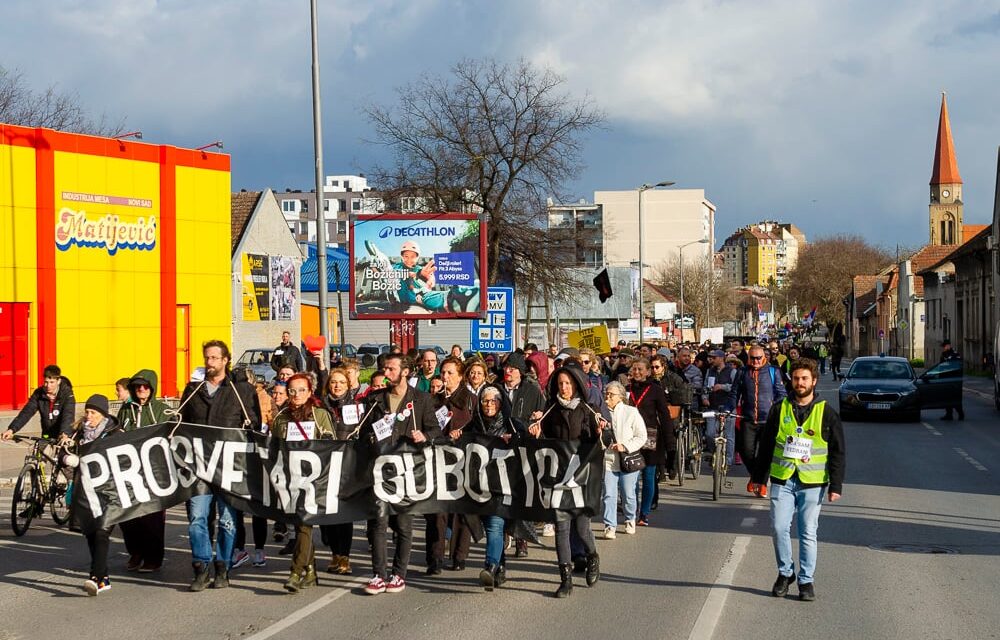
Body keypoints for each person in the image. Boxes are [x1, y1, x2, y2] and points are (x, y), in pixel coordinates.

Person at [752, 358, 845, 602]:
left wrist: (836, 485)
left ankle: (806, 581)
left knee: (807, 532)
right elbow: (767, 445)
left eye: (804, 379)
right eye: (796, 378)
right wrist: (758, 478)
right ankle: (785, 573)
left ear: (814, 381)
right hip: (783, 478)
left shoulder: (826, 412)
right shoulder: (779, 408)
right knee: (778, 527)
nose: (800, 383)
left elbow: (837, 451)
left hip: (812, 482)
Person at [178, 340, 261, 592]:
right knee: (197, 518)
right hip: (199, 468)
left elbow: (255, 425)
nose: (210, 362)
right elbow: (180, 425)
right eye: (207, 357)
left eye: (215, 358)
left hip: (229, 468)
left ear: (226, 360)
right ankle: (201, 567)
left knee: (227, 520)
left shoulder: (241, 390)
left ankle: (223, 566)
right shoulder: (193, 390)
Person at [360, 353, 442, 595]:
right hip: (380, 469)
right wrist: (371, 438)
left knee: (403, 524)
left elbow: (435, 430)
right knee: (379, 522)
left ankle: (399, 574)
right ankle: (378, 574)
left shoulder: (421, 399)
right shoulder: (375, 399)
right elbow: (363, 431)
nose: (386, 373)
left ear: (405, 372)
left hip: (407, 470)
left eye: (391, 369)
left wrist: (424, 436)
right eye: (385, 369)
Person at [528, 366, 601, 598]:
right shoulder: (550, 409)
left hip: (581, 477)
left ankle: (592, 556)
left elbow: (600, 441)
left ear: (576, 384)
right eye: (560, 383)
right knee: (562, 527)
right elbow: (545, 443)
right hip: (558, 476)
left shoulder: (587, 409)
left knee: (581, 528)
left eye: (568, 383)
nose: (564, 388)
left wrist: (601, 431)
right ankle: (565, 579)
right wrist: (537, 432)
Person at [270, 373, 336, 592]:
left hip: (313, 481)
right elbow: (273, 450)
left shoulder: (320, 415)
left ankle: (295, 572)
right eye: (292, 390)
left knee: (304, 524)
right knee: (300, 525)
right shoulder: (281, 418)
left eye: (301, 390)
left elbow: (332, 447)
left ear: (310, 392)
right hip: (289, 481)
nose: (296, 394)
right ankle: (311, 571)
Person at [116, 370, 170, 573]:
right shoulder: (125, 410)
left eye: (145, 386)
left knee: (152, 519)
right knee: (127, 517)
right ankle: (135, 552)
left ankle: (153, 558)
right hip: (129, 471)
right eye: (137, 386)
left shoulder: (162, 410)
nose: (141, 389)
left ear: (152, 387)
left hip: (154, 473)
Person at [427, 357, 477, 573]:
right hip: (438, 460)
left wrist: (463, 434)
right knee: (436, 512)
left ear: (460, 376)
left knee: (460, 512)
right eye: (443, 373)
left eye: (450, 373)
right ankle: (434, 558)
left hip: (462, 460)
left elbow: (478, 428)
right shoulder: (433, 400)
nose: (445, 377)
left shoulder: (471, 400)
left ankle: (459, 555)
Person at [470, 386, 521, 590]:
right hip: (480, 486)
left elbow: (525, 441)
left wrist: (513, 439)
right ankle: (500, 568)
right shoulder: (473, 425)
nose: (489, 405)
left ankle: (490, 566)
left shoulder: (511, 424)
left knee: (495, 525)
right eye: (485, 401)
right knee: (491, 527)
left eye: (493, 401)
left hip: (503, 486)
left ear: (500, 403)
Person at [73, 394, 123, 595]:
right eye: (87, 412)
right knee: (91, 533)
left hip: (110, 491)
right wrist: (68, 458)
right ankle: (103, 578)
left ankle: (95, 577)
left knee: (102, 532)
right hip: (87, 492)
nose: (89, 416)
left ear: (103, 414)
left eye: (93, 412)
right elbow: (64, 452)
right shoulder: (79, 433)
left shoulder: (115, 433)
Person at [498, 352, 546, 558]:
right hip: (501, 448)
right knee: (503, 494)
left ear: (520, 372)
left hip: (524, 448)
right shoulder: (496, 389)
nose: (508, 371)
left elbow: (542, 417)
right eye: (506, 367)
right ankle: (504, 534)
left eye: (512, 368)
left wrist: (537, 422)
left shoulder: (532, 390)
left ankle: (522, 540)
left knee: (522, 495)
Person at [319, 367, 363, 575]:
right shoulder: (319, 406)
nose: (337, 386)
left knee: (343, 514)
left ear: (348, 385)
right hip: (324, 466)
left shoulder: (355, 407)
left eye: (341, 382)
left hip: (346, 466)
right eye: (333, 382)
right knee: (326, 516)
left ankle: (344, 557)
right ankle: (335, 553)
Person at [729, 345, 786, 498]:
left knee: (765, 455)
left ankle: (761, 484)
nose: (755, 361)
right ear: (748, 358)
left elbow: (782, 395)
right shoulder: (742, 372)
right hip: (748, 419)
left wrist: (776, 409)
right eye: (752, 358)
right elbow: (734, 393)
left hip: (768, 421)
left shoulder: (773, 371)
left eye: (758, 358)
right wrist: (728, 408)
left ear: (764, 357)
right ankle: (756, 477)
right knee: (745, 451)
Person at [628, 358, 673, 525]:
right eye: (634, 369)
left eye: (640, 369)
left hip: (650, 436)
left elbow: (664, 416)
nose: (637, 372)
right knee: (631, 476)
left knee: (648, 476)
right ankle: (632, 509)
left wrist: (670, 442)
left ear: (648, 372)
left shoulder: (655, 390)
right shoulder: (627, 389)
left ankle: (644, 513)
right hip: (631, 436)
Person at [600, 381, 647, 538]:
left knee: (628, 494)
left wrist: (625, 446)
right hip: (609, 460)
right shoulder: (600, 413)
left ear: (620, 397)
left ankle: (630, 518)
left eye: (611, 394)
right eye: (606, 393)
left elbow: (641, 436)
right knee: (609, 494)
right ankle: (610, 525)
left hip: (628, 460)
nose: (607, 397)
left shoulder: (631, 412)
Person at [2, 364, 75, 442]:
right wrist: (11, 429)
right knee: (40, 448)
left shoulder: (67, 394)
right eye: (46, 382)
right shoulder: (38, 394)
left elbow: (68, 415)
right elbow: (26, 412)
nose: (48, 386)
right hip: (47, 434)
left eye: (52, 382)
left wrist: (64, 434)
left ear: (58, 381)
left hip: (64, 436)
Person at [704, 350, 737, 468]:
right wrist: (704, 397)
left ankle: (728, 461)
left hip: (728, 407)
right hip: (712, 406)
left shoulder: (732, 371)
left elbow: (736, 387)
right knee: (710, 433)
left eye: (714, 358)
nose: (711, 360)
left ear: (721, 358)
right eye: (710, 357)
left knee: (729, 435)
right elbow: (705, 386)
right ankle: (714, 454)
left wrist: (723, 387)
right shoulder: (710, 371)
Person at [939, 340, 965, 420]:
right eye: (944, 347)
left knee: (955, 397)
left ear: (949, 345)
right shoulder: (943, 354)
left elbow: (958, 366)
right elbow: (941, 367)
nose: (944, 348)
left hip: (954, 379)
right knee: (947, 398)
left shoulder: (955, 354)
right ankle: (949, 414)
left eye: (945, 346)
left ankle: (960, 414)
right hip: (945, 379)